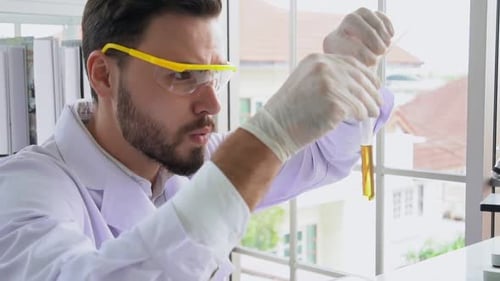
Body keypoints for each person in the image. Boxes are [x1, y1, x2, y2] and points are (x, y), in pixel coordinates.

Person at [0, 1, 394, 280]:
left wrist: (350, 76)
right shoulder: (23, 189)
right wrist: (266, 138)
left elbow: (324, 156)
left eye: (211, 74)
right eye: (182, 76)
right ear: (103, 75)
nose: (212, 102)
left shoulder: (186, 158)